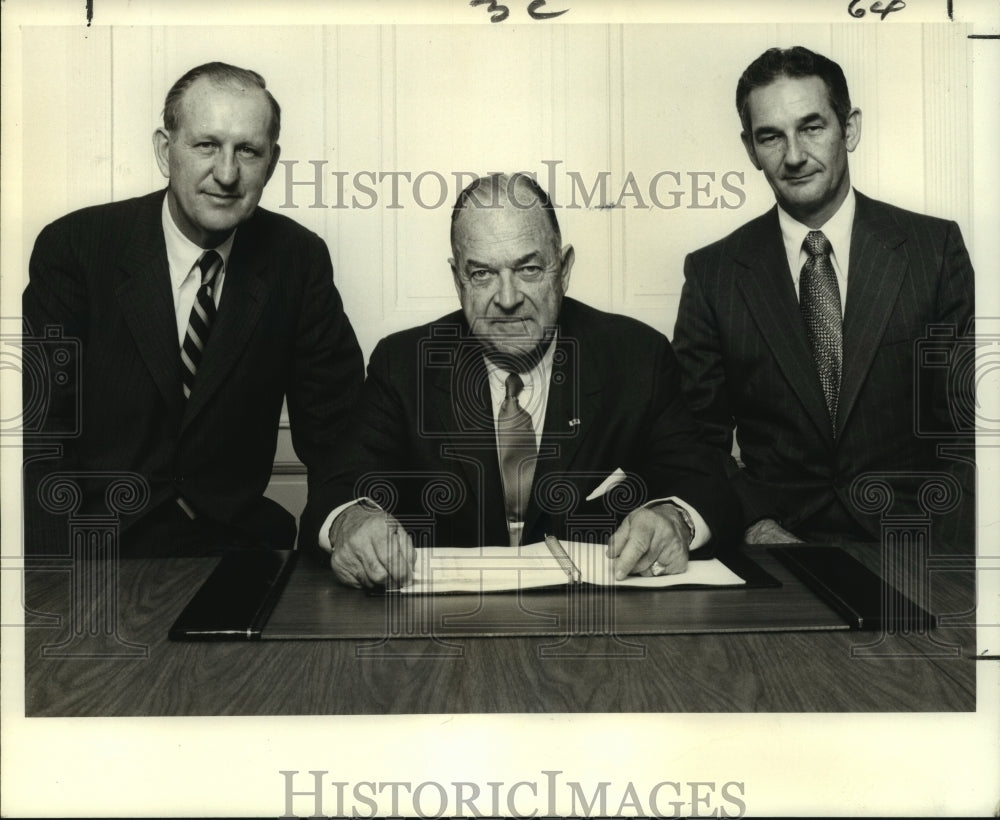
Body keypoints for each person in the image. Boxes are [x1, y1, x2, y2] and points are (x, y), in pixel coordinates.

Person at [300, 173, 740, 588]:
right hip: (446, 630)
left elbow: (705, 481)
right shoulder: (403, 364)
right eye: (482, 274)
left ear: (563, 269)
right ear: (457, 280)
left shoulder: (637, 357)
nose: (507, 300)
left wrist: (673, 518)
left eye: (528, 269)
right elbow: (338, 486)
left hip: (593, 626)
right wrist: (351, 522)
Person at [22, 62, 364, 556]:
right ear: (166, 151)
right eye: (206, 145)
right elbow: (42, 441)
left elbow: (339, 433)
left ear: (271, 162)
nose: (227, 174)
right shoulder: (75, 249)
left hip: (237, 549)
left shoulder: (297, 259)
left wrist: (347, 522)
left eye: (247, 150)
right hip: (98, 554)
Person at [672, 46, 975, 548]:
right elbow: (697, 440)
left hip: (915, 545)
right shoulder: (713, 274)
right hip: (776, 547)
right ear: (750, 149)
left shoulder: (933, 251)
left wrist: (934, 546)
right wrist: (753, 524)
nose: (793, 156)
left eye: (812, 127)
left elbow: (963, 430)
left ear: (849, 128)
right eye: (771, 136)